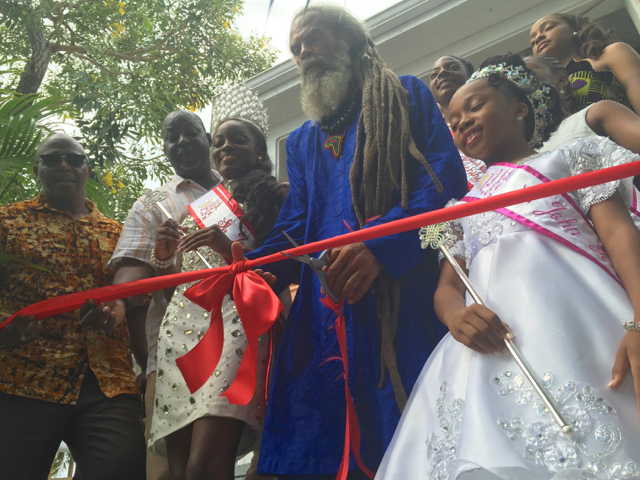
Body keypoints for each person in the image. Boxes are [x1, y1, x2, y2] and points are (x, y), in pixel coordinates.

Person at [375, 54, 640, 480]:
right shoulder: (458, 210)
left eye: (475, 106)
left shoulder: (570, 159)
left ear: (520, 109)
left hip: (588, 323)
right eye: (454, 119)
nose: (461, 122)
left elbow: (620, 237)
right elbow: (448, 286)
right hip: (495, 345)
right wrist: (456, 315)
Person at [242, 5, 467, 479]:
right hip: (322, 317)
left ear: (348, 40)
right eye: (295, 49)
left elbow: (445, 183)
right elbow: (295, 224)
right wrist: (248, 268)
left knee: (415, 441)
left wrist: (382, 247)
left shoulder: (404, 94)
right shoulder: (302, 141)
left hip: (401, 302)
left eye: (313, 39)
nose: (303, 53)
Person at [147, 86, 287, 480]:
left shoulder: (277, 195)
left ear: (259, 150)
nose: (225, 147)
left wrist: (229, 248)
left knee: (204, 465)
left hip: (233, 325)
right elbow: (172, 284)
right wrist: (164, 255)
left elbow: (283, 266)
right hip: (181, 328)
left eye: (237, 140)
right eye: (219, 141)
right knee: (177, 467)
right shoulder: (202, 204)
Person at [0, 133, 146, 479]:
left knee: (122, 468)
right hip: (24, 378)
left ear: (88, 168)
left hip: (107, 383)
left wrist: (148, 365)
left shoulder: (119, 234)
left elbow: (138, 304)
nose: (64, 165)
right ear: (37, 168)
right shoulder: (7, 222)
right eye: (52, 159)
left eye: (74, 159)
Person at [530, 13, 640, 114]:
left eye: (548, 28)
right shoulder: (542, 91)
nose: (537, 38)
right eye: (532, 42)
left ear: (575, 28)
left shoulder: (612, 53)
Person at [430, 55, 486, 190]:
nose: (442, 73)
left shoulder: (487, 117)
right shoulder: (429, 133)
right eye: (434, 75)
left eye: (453, 67)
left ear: (470, 76)